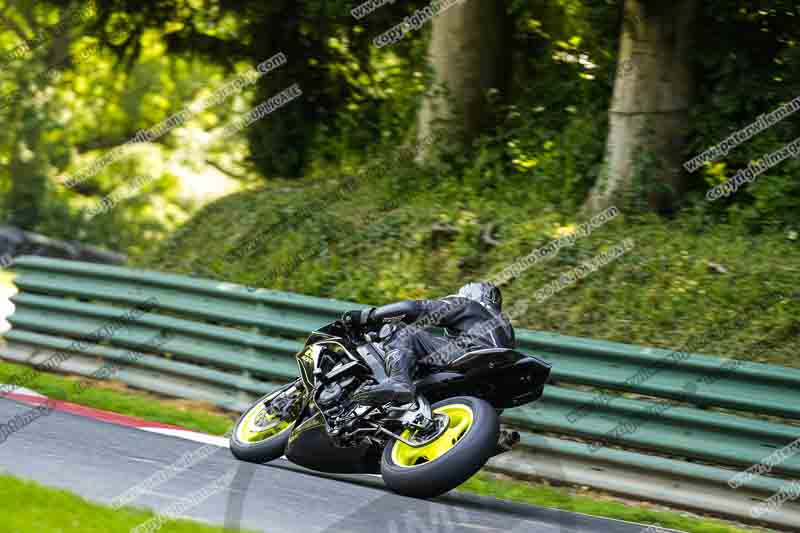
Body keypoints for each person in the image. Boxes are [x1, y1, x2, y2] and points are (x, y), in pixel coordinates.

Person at [341, 282, 515, 406]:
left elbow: (414, 309)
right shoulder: (505, 330)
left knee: (403, 331)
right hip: (486, 389)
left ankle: (399, 381)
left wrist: (368, 316)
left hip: (468, 358)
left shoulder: (469, 305)